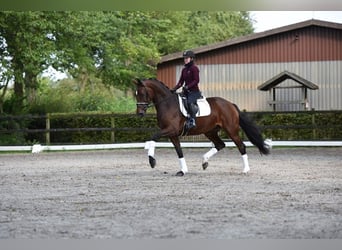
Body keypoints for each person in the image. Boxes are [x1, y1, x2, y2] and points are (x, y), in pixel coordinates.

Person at [171, 50, 202, 129]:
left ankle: (192, 120)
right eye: (184, 58)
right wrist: (174, 89)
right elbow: (181, 82)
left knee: (189, 102)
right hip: (186, 92)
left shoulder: (194, 68)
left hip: (194, 92)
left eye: (187, 58)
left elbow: (196, 80)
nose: (185, 60)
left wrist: (188, 86)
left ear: (191, 59)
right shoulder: (184, 70)